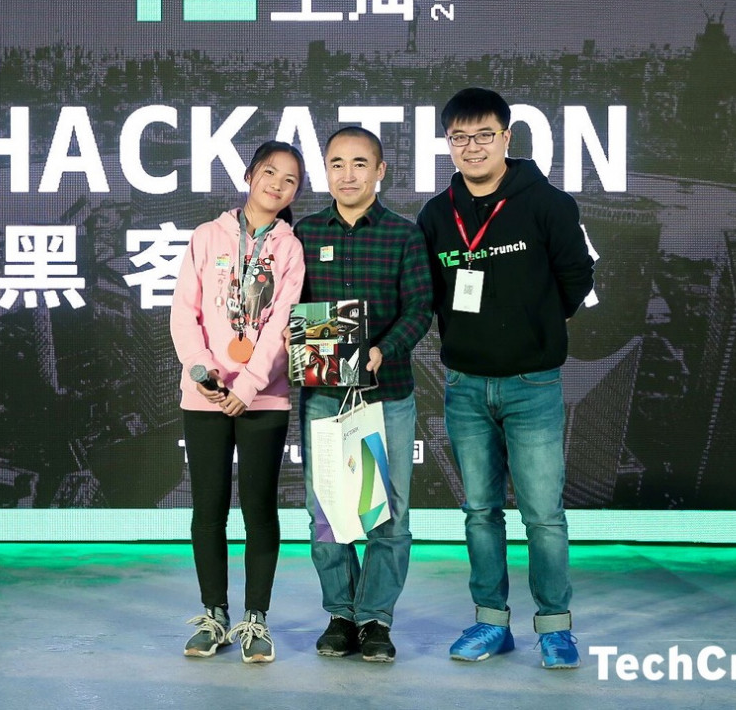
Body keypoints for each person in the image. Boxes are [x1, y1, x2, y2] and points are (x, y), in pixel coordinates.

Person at [416, 88, 594, 668]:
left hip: (532, 383)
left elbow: (576, 279)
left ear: (506, 137)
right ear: (448, 143)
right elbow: (428, 293)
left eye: (484, 135)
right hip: (465, 385)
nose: (472, 147)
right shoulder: (436, 214)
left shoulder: (548, 203)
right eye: (460, 138)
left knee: (542, 516)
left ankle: (555, 628)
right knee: (480, 513)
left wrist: (535, 325)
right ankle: (491, 622)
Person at [294, 126, 433, 663]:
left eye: (359, 163)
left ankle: (376, 618)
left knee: (386, 513)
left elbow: (419, 309)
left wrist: (381, 350)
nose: (347, 174)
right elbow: (289, 307)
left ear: (380, 171)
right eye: (336, 164)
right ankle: (340, 613)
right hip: (325, 397)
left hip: (385, 395)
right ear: (325, 171)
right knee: (327, 510)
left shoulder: (403, 235)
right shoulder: (305, 233)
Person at [170, 141, 307, 663]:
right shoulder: (207, 236)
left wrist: (247, 386)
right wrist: (202, 371)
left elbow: (281, 324)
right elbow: (184, 312)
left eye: (290, 180)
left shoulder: (290, 249)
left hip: (263, 397)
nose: (277, 184)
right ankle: (214, 614)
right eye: (269, 172)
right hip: (204, 393)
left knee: (259, 509)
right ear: (250, 175)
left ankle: (256, 619)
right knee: (207, 508)